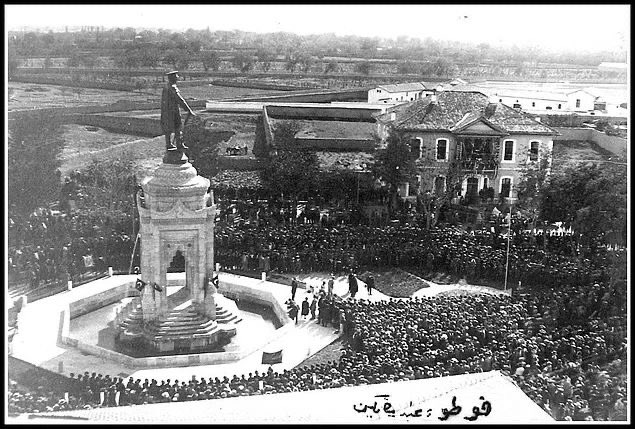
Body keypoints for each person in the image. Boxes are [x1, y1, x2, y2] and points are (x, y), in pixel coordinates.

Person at [160, 70, 196, 151]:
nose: (177, 78)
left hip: (167, 111)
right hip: (173, 111)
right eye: (176, 77)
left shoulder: (166, 86)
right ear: (172, 78)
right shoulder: (172, 87)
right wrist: (188, 110)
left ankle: (170, 144)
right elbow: (179, 99)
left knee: (169, 128)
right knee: (178, 127)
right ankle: (178, 144)